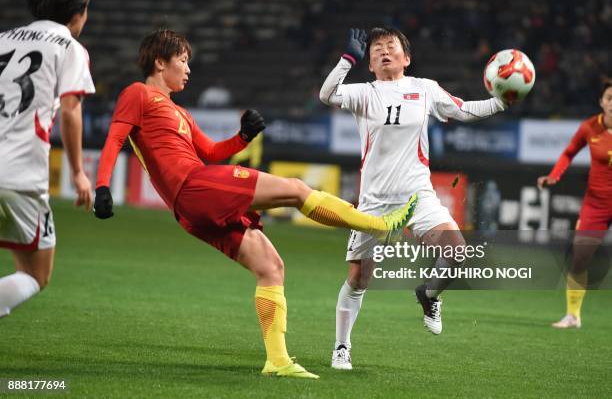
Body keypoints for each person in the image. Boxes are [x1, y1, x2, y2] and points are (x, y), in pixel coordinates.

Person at [93, 29, 417, 379]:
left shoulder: (179, 113)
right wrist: (101, 186)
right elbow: (114, 138)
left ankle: (276, 361)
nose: (188, 69)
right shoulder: (138, 94)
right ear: (160, 62)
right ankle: (380, 224)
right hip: (194, 187)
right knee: (294, 189)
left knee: (271, 267)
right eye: (183, 61)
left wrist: (242, 137)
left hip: (190, 208)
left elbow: (210, 152)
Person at [320, 27, 508, 370]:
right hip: (375, 203)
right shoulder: (365, 93)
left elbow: (464, 110)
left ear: (407, 59)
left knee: (456, 251)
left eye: (391, 46)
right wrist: (347, 59)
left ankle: (429, 294)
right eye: (377, 49)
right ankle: (341, 347)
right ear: (371, 64)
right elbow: (327, 95)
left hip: (416, 196)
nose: (384, 51)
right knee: (359, 278)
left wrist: (500, 101)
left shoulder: (424, 89)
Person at [0, 0, 94, 318]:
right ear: (77, 14)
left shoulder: (3, 39)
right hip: (20, 175)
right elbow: (70, 109)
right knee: (36, 274)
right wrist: (79, 173)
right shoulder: (69, 47)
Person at [537, 79, 612, 329]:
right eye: (609, 98)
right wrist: (554, 176)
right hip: (596, 205)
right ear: (601, 101)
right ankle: (572, 315)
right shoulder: (590, 127)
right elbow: (569, 152)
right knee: (580, 258)